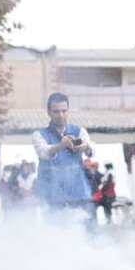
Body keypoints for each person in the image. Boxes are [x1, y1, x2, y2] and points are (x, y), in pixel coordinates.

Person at [32, 92, 95, 222]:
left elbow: (92, 151)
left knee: (87, 235)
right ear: (48, 112)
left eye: (64, 111)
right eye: (56, 112)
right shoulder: (39, 135)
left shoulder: (79, 131)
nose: (61, 115)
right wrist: (61, 145)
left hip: (79, 194)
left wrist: (85, 146)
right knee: (56, 236)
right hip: (52, 197)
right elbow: (44, 152)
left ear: (68, 111)